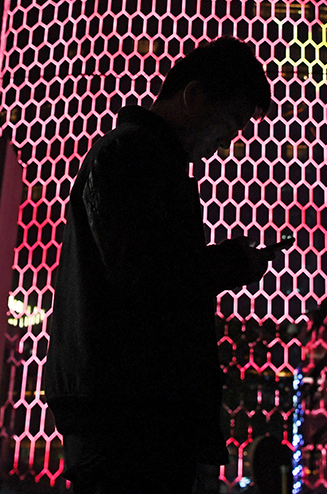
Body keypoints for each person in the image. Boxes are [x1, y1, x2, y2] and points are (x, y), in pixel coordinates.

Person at [46, 37, 294, 494]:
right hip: (131, 423)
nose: (228, 142)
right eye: (232, 122)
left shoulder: (144, 159)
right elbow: (144, 278)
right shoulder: (133, 156)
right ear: (195, 96)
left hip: (131, 418)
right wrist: (230, 263)